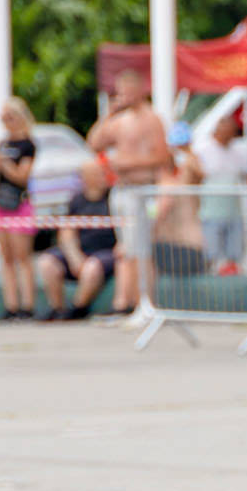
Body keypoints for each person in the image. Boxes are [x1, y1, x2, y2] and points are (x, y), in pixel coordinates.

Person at [86, 68, 170, 316]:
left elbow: (161, 157)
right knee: (126, 249)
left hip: (141, 189)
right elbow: (94, 143)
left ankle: (146, 303)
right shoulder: (120, 120)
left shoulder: (151, 119)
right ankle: (128, 302)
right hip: (121, 190)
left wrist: (128, 163)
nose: (124, 95)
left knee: (140, 249)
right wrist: (108, 115)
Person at [36, 160, 118, 321]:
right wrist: (74, 256)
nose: (102, 177)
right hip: (81, 250)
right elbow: (67, 231)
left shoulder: (113, 197)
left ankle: (78, 308)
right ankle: (57, 308)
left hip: (105, 252)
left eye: (102, 173)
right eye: (96, 174)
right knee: (47, 262)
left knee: (92, 267)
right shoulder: (77, 200)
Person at [0, 97, 40, 320]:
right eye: (4, 118)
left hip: (18, 204)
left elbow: (22, 176)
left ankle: (27, 305)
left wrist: (3, 163)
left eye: (11, 117)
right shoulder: (1, 144)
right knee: (5, 257)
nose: (7, 122)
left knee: (22, 257)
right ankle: (11, 305)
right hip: (0, 204)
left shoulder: (27, 145)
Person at [193, 113, 247, 274]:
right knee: (211, 253)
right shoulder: (203, 151)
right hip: (210, 212)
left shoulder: (240, 152)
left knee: (234, 254)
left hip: (233, 211)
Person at [150, 121, 208, 282]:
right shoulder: (180, 180)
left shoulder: (169, 184)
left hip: (182, 247)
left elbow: (157, 214)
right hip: (193, 245)